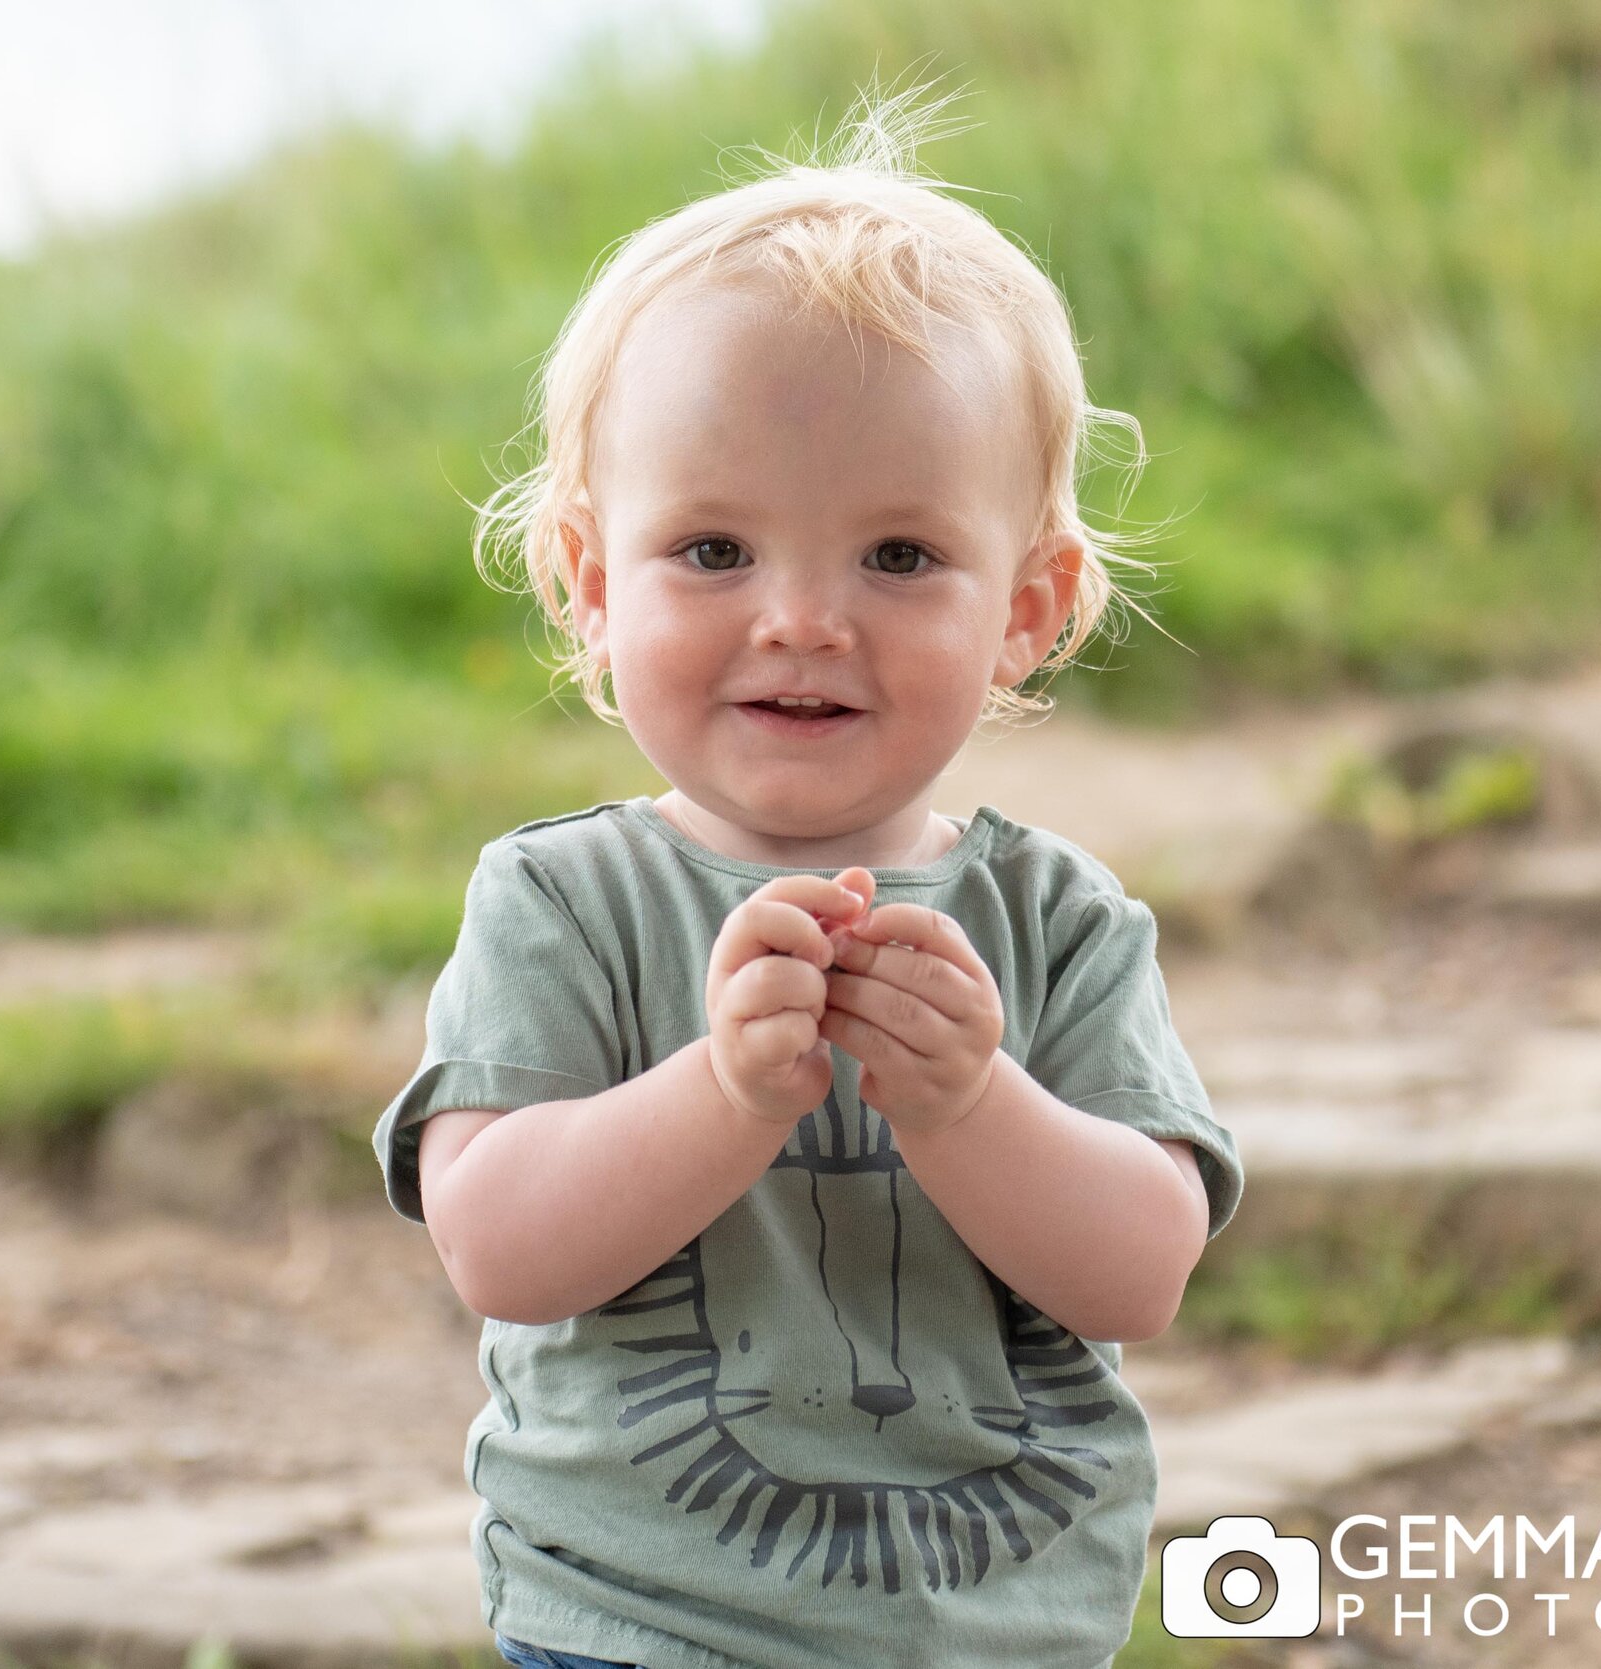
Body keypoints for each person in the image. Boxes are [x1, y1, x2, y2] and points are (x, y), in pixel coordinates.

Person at [372, 79, 1245, 1669]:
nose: (802, 620)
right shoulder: (563, 902)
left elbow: (1143, 1270)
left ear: (1030, 605)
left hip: (1003, 1630)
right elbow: (494, 1241)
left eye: (899, 557)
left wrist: (972, 1103)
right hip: (640, 1626)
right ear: (588, 578)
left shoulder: (1057, 921)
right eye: (714, 551)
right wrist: (725, 1091)